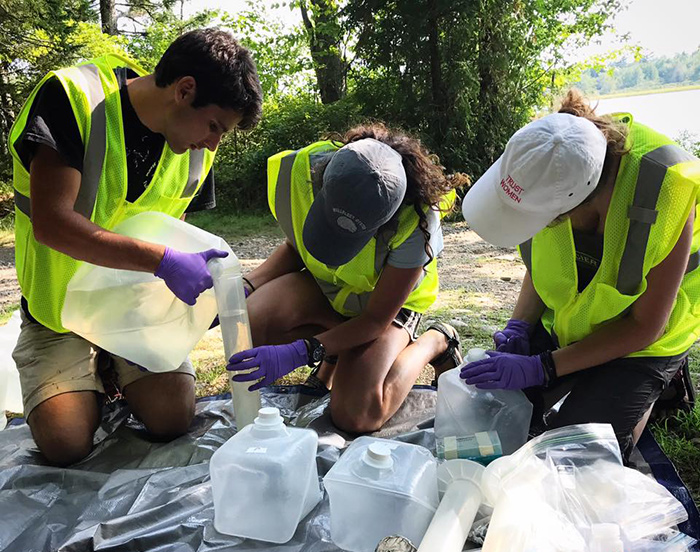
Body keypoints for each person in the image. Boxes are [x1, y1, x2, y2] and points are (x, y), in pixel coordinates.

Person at [9, 28, 263, 466]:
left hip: (128, 313)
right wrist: (162, 262)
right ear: (185, 90)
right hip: (56, 316)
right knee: (66, 444)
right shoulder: (74, 98)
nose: (213, 142)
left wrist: (204, 290)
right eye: (215, 126)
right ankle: (86, 375)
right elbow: (52, 225)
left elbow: (174, 230)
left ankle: (109, 366)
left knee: (173, 417)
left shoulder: (195, 151)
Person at [459, 89, 700, 462]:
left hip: (650, 334)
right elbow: (544, 264)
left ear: (573, 205)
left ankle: (652, 389)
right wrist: (519, 326)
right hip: (578, 321)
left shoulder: (663, 189)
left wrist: (544, 367)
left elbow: (645, 326)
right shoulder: (546, 163)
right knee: (499, 414)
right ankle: (595, 378)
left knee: (575, 451)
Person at [227, 125, 468, 432]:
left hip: (383, 310)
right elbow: (296, 247)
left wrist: (305, 350)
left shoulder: (416, 221)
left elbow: (374, 320)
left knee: (357, 412)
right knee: (253, 321)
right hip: (326, 290)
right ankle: (338, 353)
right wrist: (245, 286)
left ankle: (436, 342)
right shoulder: (298, 172)